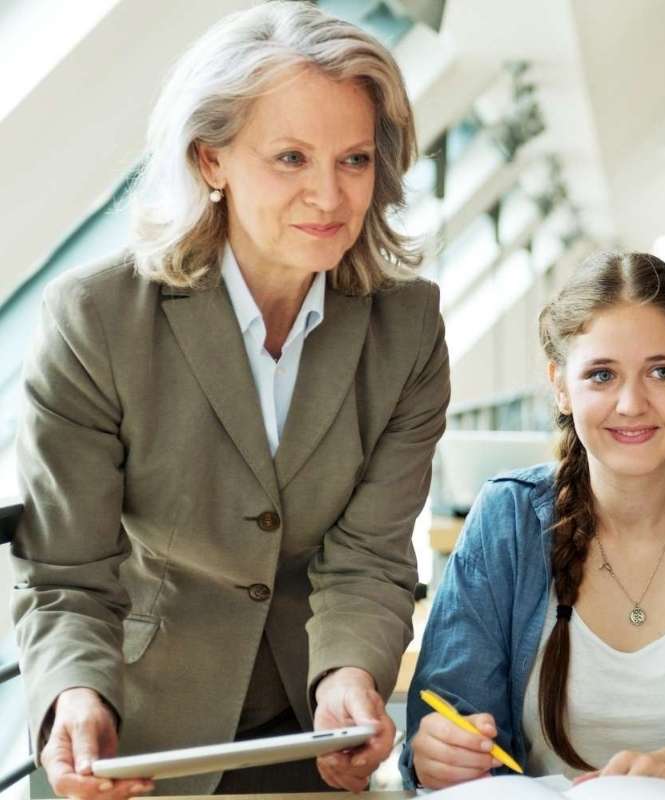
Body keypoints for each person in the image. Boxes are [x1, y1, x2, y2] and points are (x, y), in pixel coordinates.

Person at [11, 2, 449, 797]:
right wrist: (76, 693)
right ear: (210, 161)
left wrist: (350, 676)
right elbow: (64, 572)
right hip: (134, 735)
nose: (329, 195)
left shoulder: (407, 329)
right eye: (290, 158)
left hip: (312, 727)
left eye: (354, 160)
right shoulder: (96, 320)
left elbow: (370, 556)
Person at [402, 252, 665, 790]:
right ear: (561, 385)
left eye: (662, 371)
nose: (632, 403)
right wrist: (437, 750)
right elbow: (450, 713)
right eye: (601, 375)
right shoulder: (509, 517)